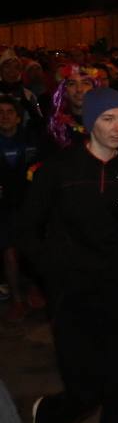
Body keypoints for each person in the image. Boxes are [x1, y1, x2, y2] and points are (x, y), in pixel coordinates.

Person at [20, 89, 118, 423]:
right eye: (109, 118)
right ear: (89, 122)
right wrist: (53, 274)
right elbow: (27, 231)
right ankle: (47, 416)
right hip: (72, 297)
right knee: (83, 389)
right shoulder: (58, 170)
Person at [0, 96, 37, 323]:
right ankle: (17, 299)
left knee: (31, 247)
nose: (4, 116)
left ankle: (34, 286)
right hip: (3, 208)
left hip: (28, 203)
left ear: (17, 116)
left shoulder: (31, 139)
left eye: (8, 112)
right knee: (9, 251)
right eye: (0, 112)